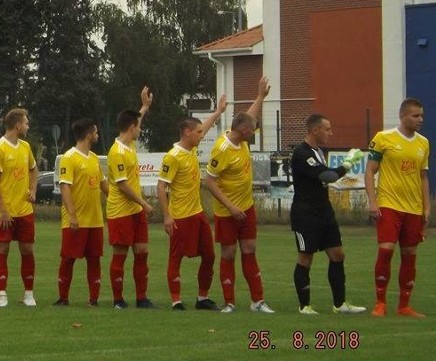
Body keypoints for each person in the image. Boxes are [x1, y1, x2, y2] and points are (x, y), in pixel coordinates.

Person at [204, 77, 274, 314]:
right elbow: (209, 181)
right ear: (244, 131)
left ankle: (258, 301)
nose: (255, 131)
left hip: (247, 207)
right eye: (252, 130)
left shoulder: (241, 136)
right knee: (228, 252)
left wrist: (260, 96)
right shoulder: (222, 149)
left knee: (249, 249)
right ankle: (229, 302)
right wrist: (231, 207)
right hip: (227, 212)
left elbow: (249, 116)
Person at [290, 114, 367, 315]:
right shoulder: (301, 153)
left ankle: (340, 305)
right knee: (306, 256)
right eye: (327, 129)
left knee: (338, 254)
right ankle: (304, 306)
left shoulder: (318, 152)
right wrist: (348, 165)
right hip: (305, 214)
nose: (330, 133)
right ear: (315, 130)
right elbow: (328, 176)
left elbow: (324, 178)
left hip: (324, 212)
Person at [156, 97, 226, 311]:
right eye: (197, 133)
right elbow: (161, 186)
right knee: (176, 257)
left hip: (197, 214)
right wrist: (167, 216)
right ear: (187, 133)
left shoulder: (192, 149)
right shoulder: (173, 157)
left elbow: (203, 127)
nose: (201, 135)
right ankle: (176, 300)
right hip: (180, 217)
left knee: (209, 255)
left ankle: (202, 298)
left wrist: (218, 111)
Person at [366, 98, 430, 318]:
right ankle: (380, 303)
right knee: (386, 249)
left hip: (414, 208)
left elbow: (423, 177)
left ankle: (404, 306)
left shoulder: (423, 143)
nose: (420, 119)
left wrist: (426, 207)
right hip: (389, 204)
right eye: (416, 115)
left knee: (410, 254)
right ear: (403, 116)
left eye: (421, 115)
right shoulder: (383, 138)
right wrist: (372, 202)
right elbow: (369, 171)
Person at [106, 87, 155, 309]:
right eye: (138, 127)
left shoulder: (130, 144)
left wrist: (144, 107)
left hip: (135, 212)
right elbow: (122, 184)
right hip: (121, 211)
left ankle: (142, 298)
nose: (140, 130)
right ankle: (118, 299)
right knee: (121, 253)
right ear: (131, 128)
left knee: (142, 251)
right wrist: (144, 203)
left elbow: (137, 119)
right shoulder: (117, 152)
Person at [55, 118, 109, 307]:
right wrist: (72, 215)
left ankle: (93, 300)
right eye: (95, 132)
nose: (97, 135)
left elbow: (103, 184)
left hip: (95, 220)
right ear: (88, 134)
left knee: (94, 259)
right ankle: (63, 298)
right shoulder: (69, 158)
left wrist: (117, 197)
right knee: (68, 258)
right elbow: (65, 187)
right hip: (75, 219)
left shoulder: (94, 158)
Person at [0, 108, 38, 308]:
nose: (28, 126)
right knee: (2, 248)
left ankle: (28, 294)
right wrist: (3, 210)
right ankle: (2, 295)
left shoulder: (25, 147)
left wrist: (32, 190)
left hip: (24, 210)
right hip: (3, 212)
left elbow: (34, 169)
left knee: (27, 249)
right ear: (17, 125)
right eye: (26, 123)